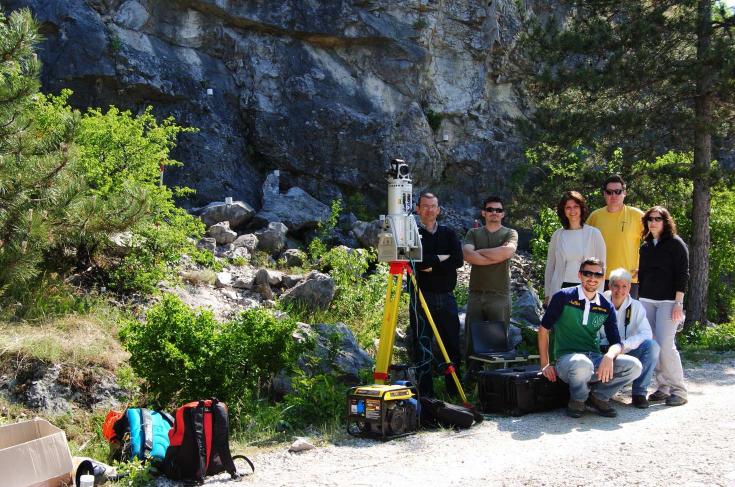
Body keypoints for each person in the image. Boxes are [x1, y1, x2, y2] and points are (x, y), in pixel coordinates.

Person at [539, 257, 642, 418]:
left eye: (598, 275)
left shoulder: (605, 305)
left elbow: (616, 342)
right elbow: (543, 329)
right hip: (566, 360)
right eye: (588, 273)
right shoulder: (563, 297)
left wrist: (609, 355)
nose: (593, 278)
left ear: (603, 277)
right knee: (582, 363)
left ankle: (598, 397)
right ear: (580, 275)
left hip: (594, 359)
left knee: (634, 365)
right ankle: (578, 400)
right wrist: (545, 364)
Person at [409, 193, 463, 397]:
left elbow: (457, 260)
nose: (429, 210)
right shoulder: (412, 234)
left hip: (446, 296)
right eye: (425, 206)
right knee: (422, 345)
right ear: (417, 209)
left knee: (451, 344)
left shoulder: (448, 233)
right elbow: (416, 262)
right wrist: (440, 259)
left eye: (433, 206)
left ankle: (454, 391)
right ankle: (426, 395)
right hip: (421, 298)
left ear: (439, 210)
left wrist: (432, 264)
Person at [638, 206, 689, 407]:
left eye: (657, 219)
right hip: (647, 301)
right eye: (649, 219)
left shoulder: (676, 244)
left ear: (665, 221)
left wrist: (678, 303)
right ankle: (663, 388)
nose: (653, 222)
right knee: (652, 345)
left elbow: (682, 274)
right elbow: (643, 274)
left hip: (669, 302)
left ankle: (679, 390)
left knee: (666, 345)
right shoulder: (646, 246)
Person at [462, 196, 518, 358]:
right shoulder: (473, 233)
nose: (494, 212)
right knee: (472, 342)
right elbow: (467, 255)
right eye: (490, 209)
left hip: (499, 295)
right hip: (476, 294)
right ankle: (472, 378)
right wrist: (496, 255)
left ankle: (497, 379)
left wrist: (479, 253)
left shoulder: (510, 233)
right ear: (483, 213)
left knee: (498, 343)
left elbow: (508, 252)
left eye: (498, 210)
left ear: (503, 214)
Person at [600, 268, 661, 408]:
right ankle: (595, 391)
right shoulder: (599, 303)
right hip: (601, 352)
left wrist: (623, 346)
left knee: (652, 346)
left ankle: (639, 394)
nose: (619, 290)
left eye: (624, 286)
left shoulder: (636, 306)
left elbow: (646, 334)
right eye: (616, 285)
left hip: (624, 350)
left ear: (629, 288)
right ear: (609, 286)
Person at [544, 191, 606, 306]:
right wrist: (547, 294)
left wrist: (599, 295)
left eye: (576, 206)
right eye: (568, 207)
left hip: (586, 290)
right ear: (563, 210)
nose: (572, 211)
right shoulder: (557, 235)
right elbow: (550, 267)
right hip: (560, 289)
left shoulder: (594, 234)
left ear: (581, 208)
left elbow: (603, 267)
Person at [587, 175, 644, 297]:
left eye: (618, 192)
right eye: (609, 192)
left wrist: (646, 267)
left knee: (627, 316)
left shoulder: (637, 216)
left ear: (625, 193)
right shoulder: (595, 216)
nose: (613, 195)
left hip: (627, 279)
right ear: (604, 194)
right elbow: (584, 245)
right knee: (598, 316)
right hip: (598, 278)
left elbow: (655, 242)